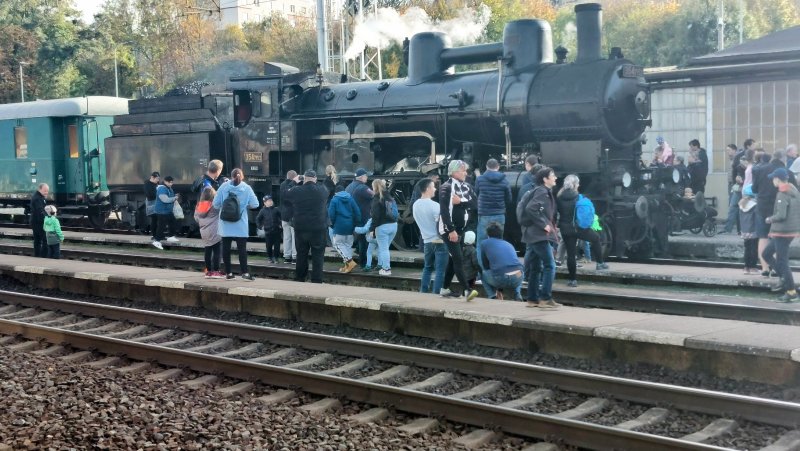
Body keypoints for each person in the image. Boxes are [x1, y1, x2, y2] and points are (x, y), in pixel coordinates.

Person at [556, 174, 608, 288]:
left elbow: (557, 213)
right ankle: (600, 263)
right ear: (575, 184)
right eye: (578, 183)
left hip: (565, 229)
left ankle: (572, 281)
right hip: (578, 228)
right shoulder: (578, 197)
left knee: (570, 254)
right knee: (596, 238)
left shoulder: (559, 197)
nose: (579, 185)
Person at [519, 166, 560, 309]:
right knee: (550, 265)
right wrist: (544, 224)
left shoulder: (541, 191)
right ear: (545, 179)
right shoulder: (542, 191)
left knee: (536, 267)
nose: (555, 178)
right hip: (538, 235)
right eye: (552, 175)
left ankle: (532, 299)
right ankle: (545, 298)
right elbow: (531, 208)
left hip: (533, 234)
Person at [438, 160, 479, 301]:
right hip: (449, 230)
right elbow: (444, 211)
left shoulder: (467, 186)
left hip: (461, 229)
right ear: (455, 172)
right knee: (458, 258)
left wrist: (460, 202)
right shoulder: (446, 187)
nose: (466, 173)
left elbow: (475, 203)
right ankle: (467, 290)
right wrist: (451, 230)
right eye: (463, 171)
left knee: (452, 259)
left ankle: (444, 288)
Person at [213, 168, 259, 281]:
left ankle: (228, 273)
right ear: (242, 176)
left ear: (231, 176)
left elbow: (215, 204)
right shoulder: (247, 188)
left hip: (225, 223)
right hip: (240, 223)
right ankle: (245, 273)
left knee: (226, 248)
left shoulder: (224, 186)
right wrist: (244, 206)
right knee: (242, 249)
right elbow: (255, 204)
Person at [762, 168, 800, 302]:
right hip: (789, 230)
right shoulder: (793, 189)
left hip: (782, 232)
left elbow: (781, 215)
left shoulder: (782, 193)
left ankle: (791, 292)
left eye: (773, 178)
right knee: (766, 253)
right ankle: (783, 277)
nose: (772, 180)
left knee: (782, 261)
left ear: (777, 179)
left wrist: (769, 219)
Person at [285, 170, 329, 283]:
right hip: (318, 228)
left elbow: (285, 194)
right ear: (315, 178)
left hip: (301, 228)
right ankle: (317, 280)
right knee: (318, 255)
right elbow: (324, 188)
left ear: (304, 178)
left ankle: (300, 278)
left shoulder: (296, 190)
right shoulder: (322, 190)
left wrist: (294, 182)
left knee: (301, 254)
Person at [413, 178, 449, 294]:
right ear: (428, 189)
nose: (435, 189)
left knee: (427, 267)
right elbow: (441, 224)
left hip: (426, 241)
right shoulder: (435, 206)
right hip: (439, 242)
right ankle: (436, 293)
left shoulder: (415, 205)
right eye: (433, 187)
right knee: (440, 270)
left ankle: (423, 291)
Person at [474, 158, 512, 267]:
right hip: (499, 215)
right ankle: (497, 268)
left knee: (481, 244)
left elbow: (475, 194)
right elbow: (509, 199)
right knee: (498, 243)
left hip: (484, 215)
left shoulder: (480, 179)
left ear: (486, 167)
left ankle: (482, 271)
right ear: (498, 167)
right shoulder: (504, 180)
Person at [480, 222, 523, 300]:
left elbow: (486, 266)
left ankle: (492, 296)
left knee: (482, 274)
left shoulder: (484, 243)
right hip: (518, 277)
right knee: (518, 271)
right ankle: (517, 294)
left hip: (501, 278)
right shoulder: (508, 244)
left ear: (488, 235)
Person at [366, 179, 399, 275]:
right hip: (394, 226)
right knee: (385, 248)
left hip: (382, 227)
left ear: (374, 187)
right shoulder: (389, 197)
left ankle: (386, 269)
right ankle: (384, 267)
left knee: (384, 249)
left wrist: (372, 229)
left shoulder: (377, 199)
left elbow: (375, 216)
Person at [328, 185, 361, 273]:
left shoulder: (334, 200)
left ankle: (350, 262)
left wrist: (333, 224)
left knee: (337, 245)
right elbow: (357, 212)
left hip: (339, 226)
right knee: (347, 246)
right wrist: (356, 223)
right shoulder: (351, 199)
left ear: (336, 192)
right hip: (350, 226)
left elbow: (331, 215)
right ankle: (347, 267)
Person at [346, 168, 374, 268]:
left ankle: (349, 262)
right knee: (364, 240)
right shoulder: (363, 188)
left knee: (351, 240)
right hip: (363, 217)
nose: (367, 178)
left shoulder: (349, 186)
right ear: (362, 177)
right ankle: (363, 263)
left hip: (351, 217)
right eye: (366, 176)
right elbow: (374, 195)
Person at [194, 187, 224, 278]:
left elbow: (196, 218)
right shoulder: (214, 206)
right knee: (217, 251)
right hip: (215, 231)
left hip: (204, 232)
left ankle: (209, 271)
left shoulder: (199, 205)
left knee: (207, 250)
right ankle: (216, 270)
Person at [723, 140, 752, 234]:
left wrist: (737, 178)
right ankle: (734, 229)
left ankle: (736, 229)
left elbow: (735, 170)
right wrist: (736, 178)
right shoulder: (740, 157)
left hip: (744, 187)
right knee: (736, 206)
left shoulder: (748, 156)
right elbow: (735, 170)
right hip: (740, 186)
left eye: (729, 150)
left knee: (736, 206)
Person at [152, 176, 180, 250]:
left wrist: (175, 196)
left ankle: (171, 236)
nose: (171, 184)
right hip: (161, 211)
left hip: (167, 211)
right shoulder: (162, 189)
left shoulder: (169, 188)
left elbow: (170, 197)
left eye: (171, 182)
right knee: (161, 226)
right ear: (165, 181)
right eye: (169, 182)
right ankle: (156, 241)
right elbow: (165, 199)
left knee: (173, 222)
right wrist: (174, 198)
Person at [279, 170, 299, 263]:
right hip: (293, 215)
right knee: (295, 236)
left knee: (286, 236)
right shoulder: (295, 185)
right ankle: (295, 256)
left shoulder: (282, 185)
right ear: (294, 177)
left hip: (284, 215)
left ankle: (287, 256)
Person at [738, 185, 759, 275]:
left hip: (744, 230)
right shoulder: (755, 205)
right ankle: (753, 267)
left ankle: (746, 267)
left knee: (747, 248)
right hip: (754, 230)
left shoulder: (741, 204)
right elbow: (757, 218)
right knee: (754, 248)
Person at [256, 195, 282, 264]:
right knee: (269, 246)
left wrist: (280, 225)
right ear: (265, 203)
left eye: (271, 200)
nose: (270, 202)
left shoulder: (276, 209)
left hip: (277, 231)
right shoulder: (262, 211)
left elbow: (281, 217)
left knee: (277, 246)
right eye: (268, 201)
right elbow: (258, 219)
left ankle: (276, 258)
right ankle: (270, 257)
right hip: (268, 231)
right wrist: (260, 226)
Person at [29, 183, 49, 257]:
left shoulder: (39, 197)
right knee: (44, 239)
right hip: (38, 222)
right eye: (45, 191)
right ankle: (43, 256)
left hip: (36, 221)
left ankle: (37, 255)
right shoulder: (38, 198)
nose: (46, 192)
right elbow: (40, 211)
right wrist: (47, 219)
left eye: (47, 191)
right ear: (40, 189)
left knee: (37, 240)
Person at [144, 171, 160, 239]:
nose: (158, 180)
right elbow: (149, 195)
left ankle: (158, 235)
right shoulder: (147, 184)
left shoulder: (156, 184)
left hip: (156, 204)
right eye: (157, 179)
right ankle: (154, 235)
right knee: (154, 220)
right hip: (152, 204)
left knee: (158, 220)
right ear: (152, 177)